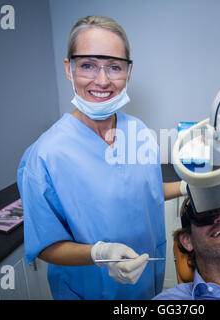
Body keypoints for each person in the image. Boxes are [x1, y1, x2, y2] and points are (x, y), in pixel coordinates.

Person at [17, 15, 187, 300]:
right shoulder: (45, 156)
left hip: (145, 283)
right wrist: (99, 253)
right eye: (88, 65)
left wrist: (185, 188)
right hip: (89, 290)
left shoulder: (139, 132)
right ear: (69, 68)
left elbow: (142, 192)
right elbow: (45, 244)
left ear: (128, 72)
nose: (103, 80)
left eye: (114, 67)